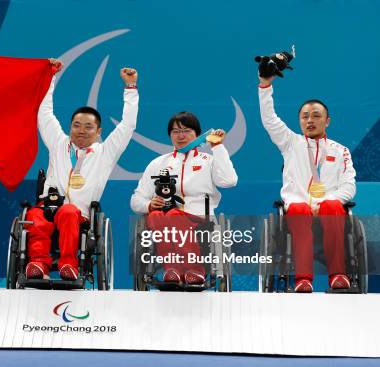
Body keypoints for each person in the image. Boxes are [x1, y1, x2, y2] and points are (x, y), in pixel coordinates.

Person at [25, 59, 139, 280]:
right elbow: (44, 113)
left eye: (88, 127)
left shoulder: (105, 152)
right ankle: (38, 264)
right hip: (49, 207)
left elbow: (127, 125)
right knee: (34, 215)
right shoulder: (58, 143)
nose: (81, 131)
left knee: (68, 212)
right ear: (70, 127)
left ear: (98, 131)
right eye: (76, 125)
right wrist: (50, 78)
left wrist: (131, 88)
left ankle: (69, 264)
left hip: (79, 215)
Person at [258, 74, 356, 293]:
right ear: (300, 121)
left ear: (327, 120)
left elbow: (349, 186)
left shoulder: (341, 151)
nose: (310, 120)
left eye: (316, 116)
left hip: (330, 209)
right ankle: (303, 279)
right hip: (298, 205)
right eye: (304, 117)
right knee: (300, 209)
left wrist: (325, 202)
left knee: (332, 206)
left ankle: (338, 276)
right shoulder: (290, 143)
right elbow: (269, 119)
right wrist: (265, 85)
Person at [130, 112, 238, 284]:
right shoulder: (158, 164)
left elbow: (229, 181)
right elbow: (136, 200)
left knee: (173, 215)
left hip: (200, 219)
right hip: (166, 219)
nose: (180, 136)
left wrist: (217, 147)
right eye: (175, 131)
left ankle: (195, 270)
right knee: (156, 215)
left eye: (186, 130)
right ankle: (172, 270)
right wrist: (150, 204)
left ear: (197, 134)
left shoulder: (208, 161)